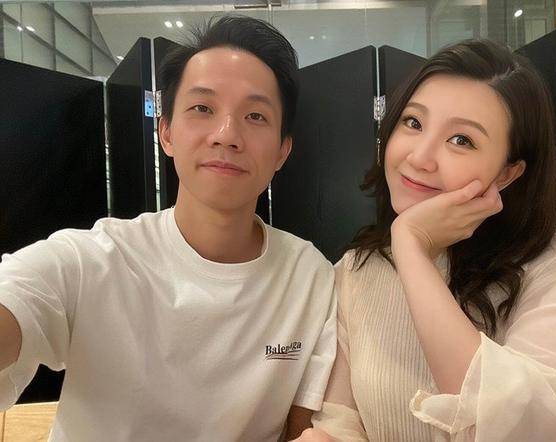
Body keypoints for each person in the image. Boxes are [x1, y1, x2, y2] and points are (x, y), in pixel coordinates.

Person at [0, 15, 336, 441]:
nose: (226, 135)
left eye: (255, 115)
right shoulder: (92, 260)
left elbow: (306, 431)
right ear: (166, 133)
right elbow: (20, 296)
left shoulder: (309, 277)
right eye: (202, 108)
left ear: (282, 151)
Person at [296, 39, 556, 441]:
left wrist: (411, 247)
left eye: (462, 140)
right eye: (413, 123)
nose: (420, 157)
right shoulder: (356, 270)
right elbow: (341, 422)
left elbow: (529, 429)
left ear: (507, 173)